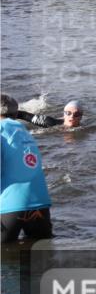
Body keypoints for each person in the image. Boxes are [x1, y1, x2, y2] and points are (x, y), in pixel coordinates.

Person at [1, 94, 53, 243]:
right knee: (41, 261)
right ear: (16, 114)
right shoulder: (25, 132)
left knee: (4, 259)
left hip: (10, 206)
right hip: (40, 204)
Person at [14, 100, 84, 129]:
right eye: (68, 113)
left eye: (76, 114)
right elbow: (23, 115)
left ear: (81, 117)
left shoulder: (84, 127)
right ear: (64, 115)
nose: (72, 116)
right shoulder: (50, 122)